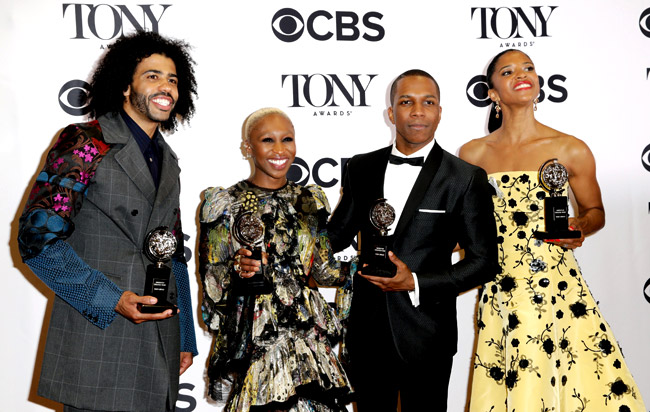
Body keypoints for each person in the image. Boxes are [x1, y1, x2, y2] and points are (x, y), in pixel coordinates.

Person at [16, 31, 198, 412]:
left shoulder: (169, 160)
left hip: (158, 339)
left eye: (173, 79)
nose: (166, 86)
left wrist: (184, 336)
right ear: (125, 88)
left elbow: (172, 251)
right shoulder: (85, 142)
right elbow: (36, 240)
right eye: (152, 76)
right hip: (100, 336)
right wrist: (111, 299)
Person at [459, 49, 647, 411]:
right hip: (502, 288)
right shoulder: (472, 155)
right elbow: (463, 228)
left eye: (529, 68)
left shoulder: (569, 148)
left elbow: (595, 211)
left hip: (558, 287)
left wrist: (581, 227)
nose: (522, 74)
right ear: (492, 92)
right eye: (509, 71)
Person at [326, 69, 500, 412]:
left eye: (428, 102)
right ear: (391, 113)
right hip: (367, 332)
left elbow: (484, 261)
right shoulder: (362, 167)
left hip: (427, 334)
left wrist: (416, 282)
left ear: (439, 112)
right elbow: (336, 235)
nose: (417, 111)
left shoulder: (465, 178)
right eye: (406, 102)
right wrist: (282, 246)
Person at [198, 107, 352, 412]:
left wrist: (363, 259)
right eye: (268, 140)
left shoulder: (309, 199)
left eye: (287, 139)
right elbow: (213, 289)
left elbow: (324, 271)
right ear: (247, 147)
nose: (280, 150)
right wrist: (238, 270)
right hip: (258, 339)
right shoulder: (226, 204)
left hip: (306, 337)